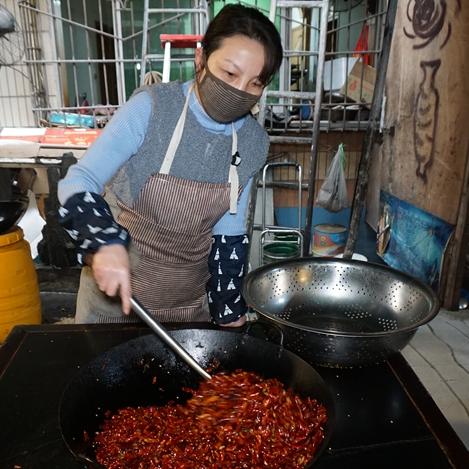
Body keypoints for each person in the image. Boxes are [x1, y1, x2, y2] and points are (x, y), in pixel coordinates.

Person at [57, 4, 282, 327]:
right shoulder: (152, 108)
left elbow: (228, 236)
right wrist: (104, 244)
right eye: (230, 73)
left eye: (255, 83)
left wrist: (228, 310)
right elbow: (79, 181)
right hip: (113, 307)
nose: (239, 91)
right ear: (200, 58)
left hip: (186, 312)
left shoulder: (252, 142)